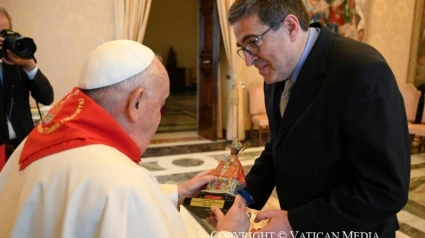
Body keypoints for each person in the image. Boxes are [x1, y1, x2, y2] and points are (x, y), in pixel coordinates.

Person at [0, 40, 250, 237]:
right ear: (137, 103)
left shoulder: (37, 141)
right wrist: (229, 234)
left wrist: (178, 192)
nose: (160, 118)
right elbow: (120, 198)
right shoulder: (123, 184)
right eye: (160, 106)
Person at [216, 0, 411, 237]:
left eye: (252, 43)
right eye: (242, 48)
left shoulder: (362, 71)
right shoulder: (276, 73)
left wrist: (295, 222)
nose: (248, 60)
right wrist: (240, 197)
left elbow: (385, 189)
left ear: (290, 26)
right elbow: (278, 148)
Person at [0, 7, 54, 162]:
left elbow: (46, 97)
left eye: (5, 33)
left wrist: (29, 66)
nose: (3, 39)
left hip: (22, 145)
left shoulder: (18, 58)